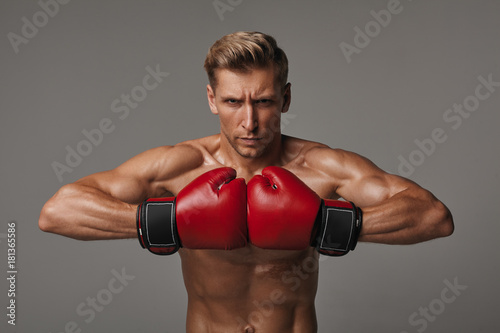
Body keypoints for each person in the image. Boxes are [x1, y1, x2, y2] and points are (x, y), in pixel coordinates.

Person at [39, 31, 454, 333]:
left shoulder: (321, 167)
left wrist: (324, 224)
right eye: (233, 102)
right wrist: (172, 222)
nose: (249, 121)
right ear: (211, 100)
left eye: (264, 101)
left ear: (286, 99)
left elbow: (433, 217)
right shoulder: (179, 166)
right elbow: (57, 213)